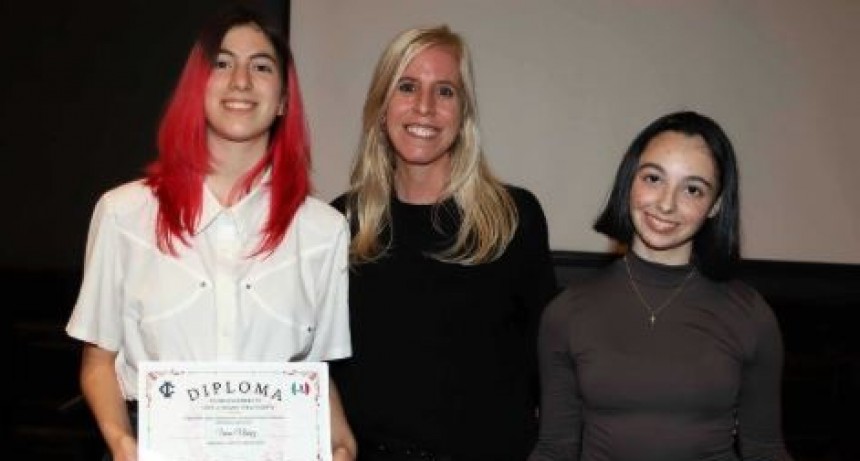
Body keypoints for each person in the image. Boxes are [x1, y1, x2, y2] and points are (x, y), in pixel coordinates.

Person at [65, 4, 356, 460]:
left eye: (261, 67)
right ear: (196, 88)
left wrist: (341, 444)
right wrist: (123, 445)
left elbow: (315, 376)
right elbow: (98, 363)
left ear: (283, 99)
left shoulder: (324, 230)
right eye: (222, 64)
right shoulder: (124, 213)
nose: (241, 81)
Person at [329, 25, 558, 461]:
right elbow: (323, 368)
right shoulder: (342, 222)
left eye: (445, 91)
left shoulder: (514, 217)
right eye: (407, 87)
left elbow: (548, 362)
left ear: (464, 112)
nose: (424, 107)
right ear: (381, 107)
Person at [529, 111, 793, 460]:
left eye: (693, 189)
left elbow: (765, 450)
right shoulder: (566, 313)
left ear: (714, 205)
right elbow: (555, 449)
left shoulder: (751, 315)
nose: (667, 204)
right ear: (629, 182)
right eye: (653, 178)